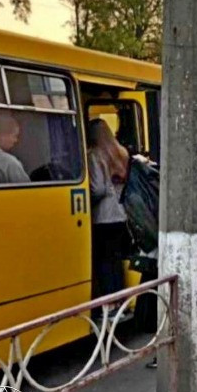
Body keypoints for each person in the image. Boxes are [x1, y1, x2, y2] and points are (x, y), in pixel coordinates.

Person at [87, 119, 130, 299]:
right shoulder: (122, 153)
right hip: (122, 214)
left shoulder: (94, 155)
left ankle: (109, 303)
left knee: (104, 263)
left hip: (103, 217)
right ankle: (120, 301)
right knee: (116, 262)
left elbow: (98, 189)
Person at [0, 112, 30, 184]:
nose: (16, 140)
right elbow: (26, 192)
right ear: (1, 136)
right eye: (14, 136)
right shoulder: (9, 163)